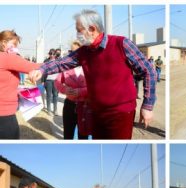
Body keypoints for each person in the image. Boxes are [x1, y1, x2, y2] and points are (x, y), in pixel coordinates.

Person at [31, 9, 157, 139]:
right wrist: (41, 70)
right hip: (96, 112)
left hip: (120, 113)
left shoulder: (121, 44)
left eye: (79, 30)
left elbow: (149, 71)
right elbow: (61, 63)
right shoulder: (84, 51)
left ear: (92, 29)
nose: (77, 34)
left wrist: (147, 106)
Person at [0, 30, 40, 139]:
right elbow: (35, 66)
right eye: (13, 44)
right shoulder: (7, 57)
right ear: (3, 42)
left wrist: (16, 91)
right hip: (4, 115)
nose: (15, 48)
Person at [54, 40, 93, 139]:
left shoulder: (91, 67)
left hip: (84, 106)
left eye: (77, 51)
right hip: (69, 105)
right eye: (71, 51)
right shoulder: (66, 67)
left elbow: (95, 86)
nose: (73, 54)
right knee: (67, 135)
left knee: (83, 137)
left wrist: (81, 91)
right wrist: (64, 89)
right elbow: (57, 82)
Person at [42, 49, 60, 116]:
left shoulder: (58, 61)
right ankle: (49, 110)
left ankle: (55, 110)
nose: (52, 55)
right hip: (48, 80)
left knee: (55, 95)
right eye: (50, 54)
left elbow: (61, 70)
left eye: (53, 54)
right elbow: (43, 72)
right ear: (49, 54)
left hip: (56, 80)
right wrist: (42, 81)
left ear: (55, 54)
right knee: (48, 95)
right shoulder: (46, 61)